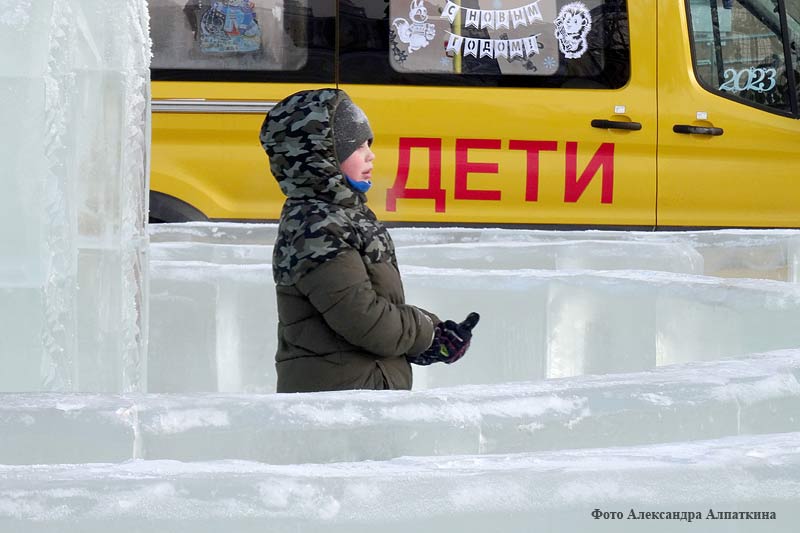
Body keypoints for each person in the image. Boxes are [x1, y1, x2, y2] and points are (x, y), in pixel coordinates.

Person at [259, 88, 479, 393]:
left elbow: (375, 307)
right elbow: (364, 320)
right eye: (357, 146)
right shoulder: (315, 227)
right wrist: (428, 333)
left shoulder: (346, 215)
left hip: (362, 390)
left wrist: (433, 338)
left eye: (368, 144)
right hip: (338, 402)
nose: (370, 154)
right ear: (321, 157)